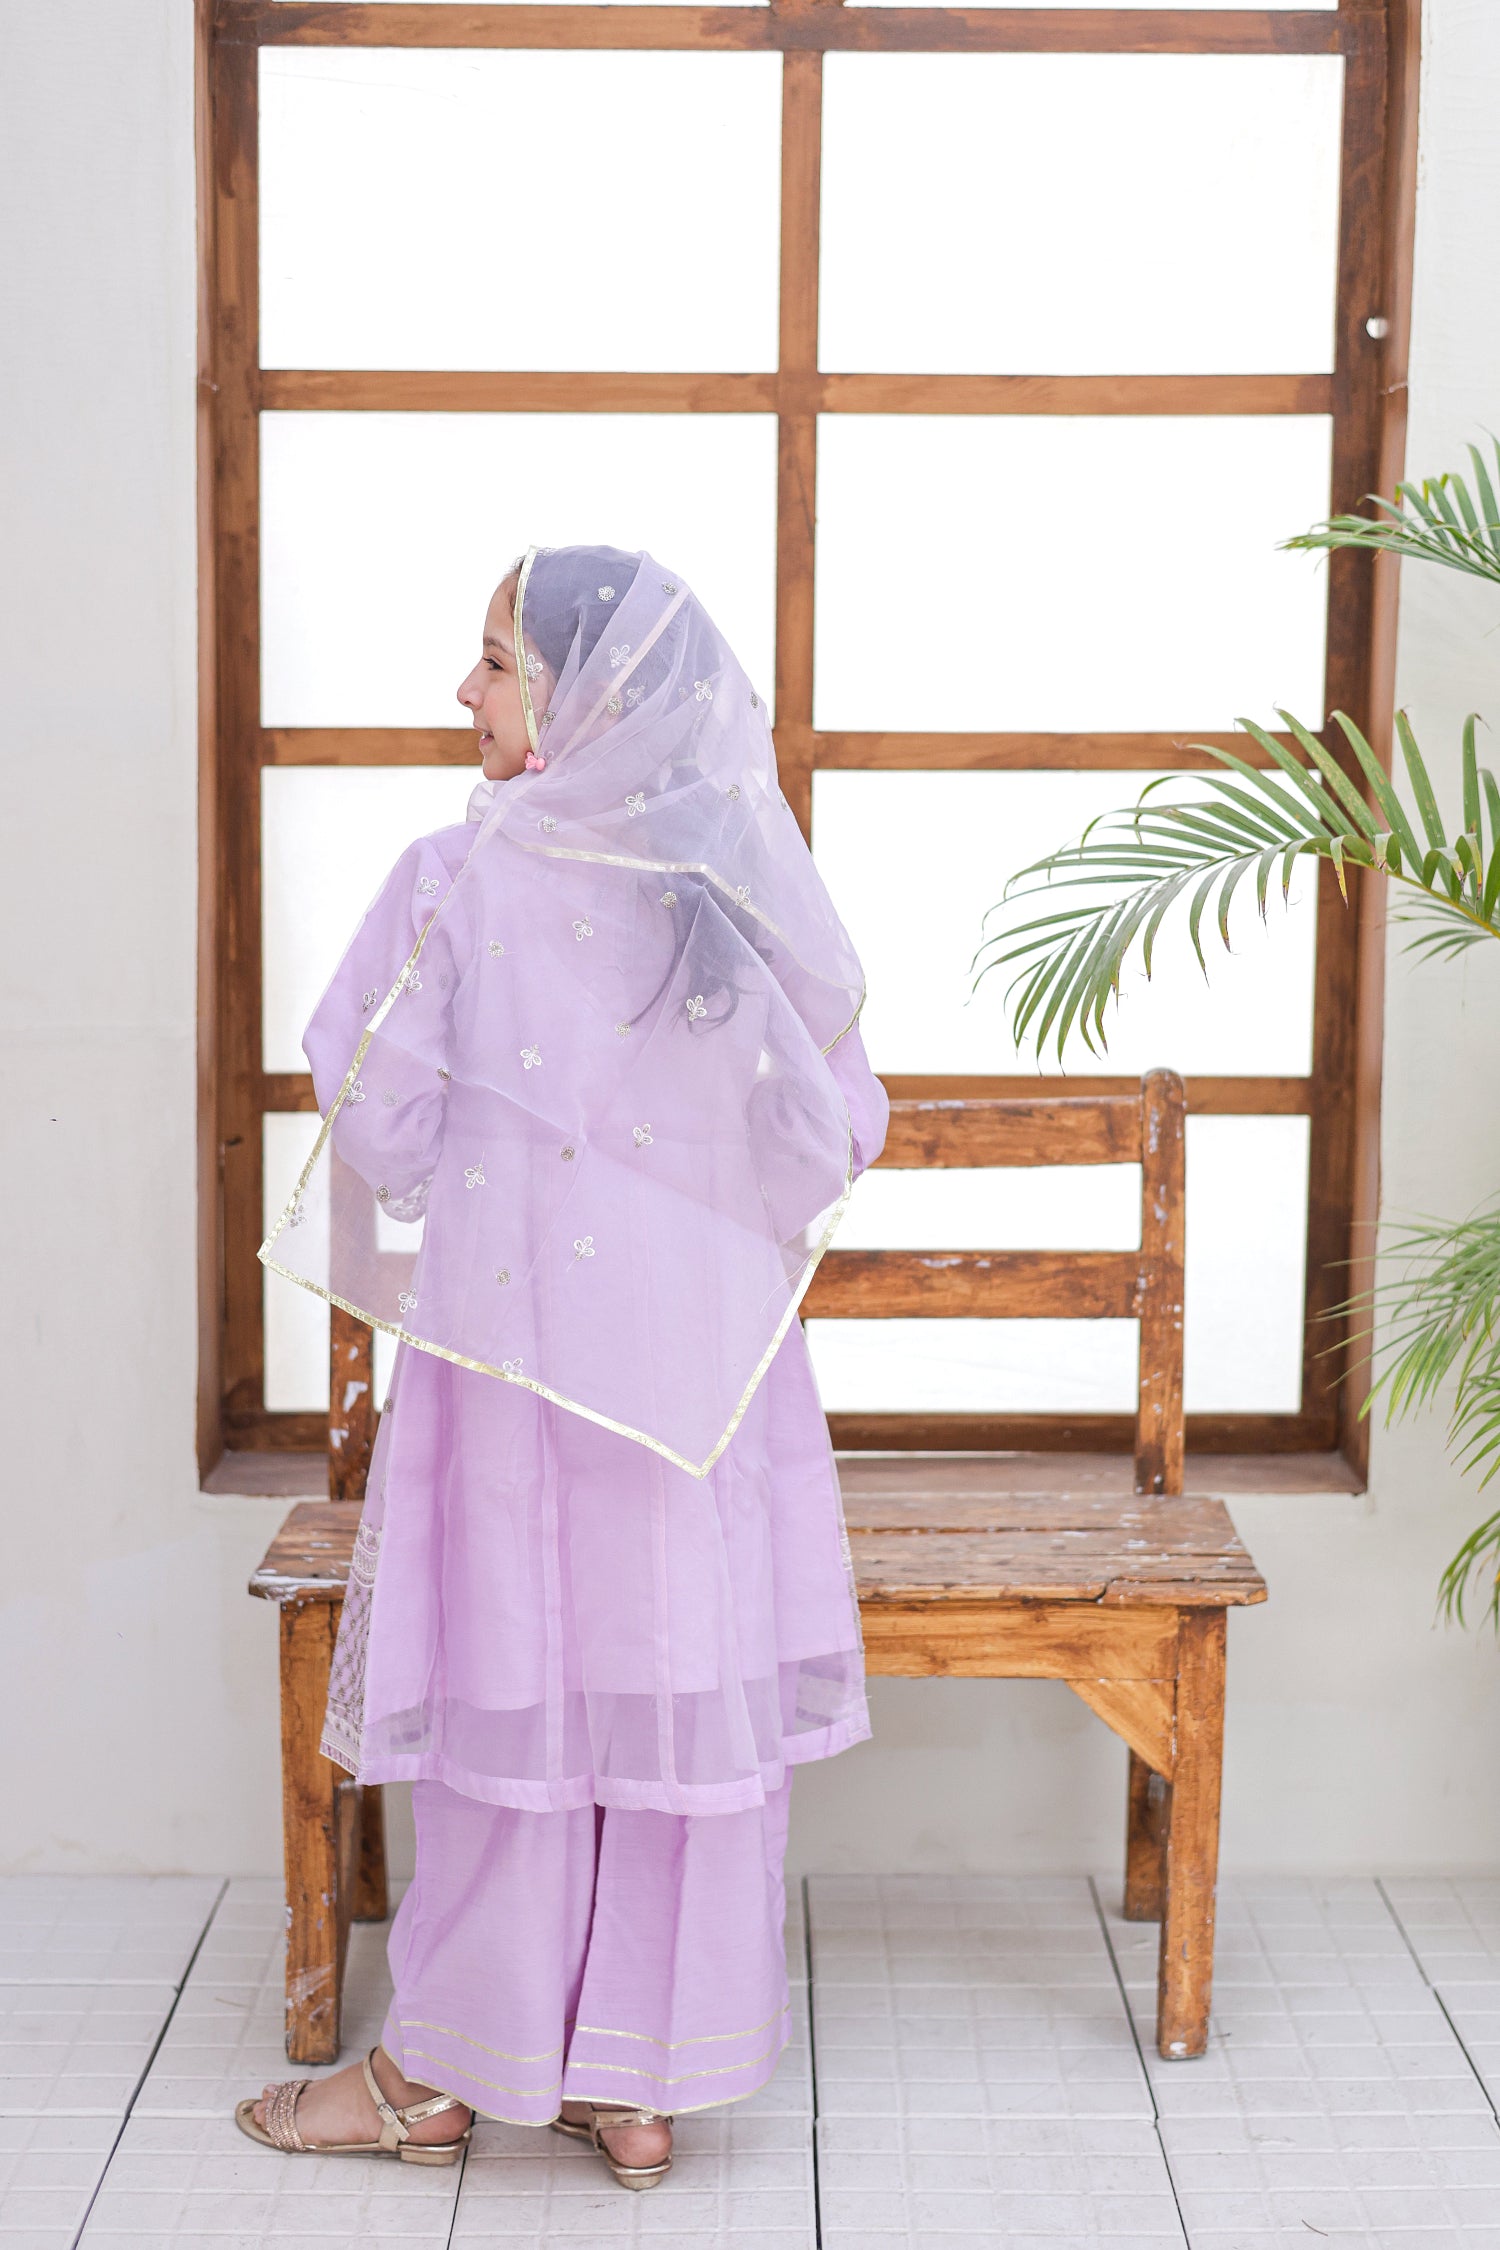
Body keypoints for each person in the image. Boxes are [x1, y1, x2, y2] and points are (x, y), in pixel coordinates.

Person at [237, 545, 889, 2188]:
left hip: (515, 1379)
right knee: (665, 1699)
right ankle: (636, 2084)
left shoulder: (459, 874)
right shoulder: (724, 889)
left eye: (494, 661)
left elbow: (377, 1119)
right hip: (696, 1401)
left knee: (510, 1695)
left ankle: (438, 2076)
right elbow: (838, 1127)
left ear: (575, 695)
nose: (464, 691)